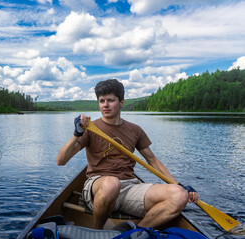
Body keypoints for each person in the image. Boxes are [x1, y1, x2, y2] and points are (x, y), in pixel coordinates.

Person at [56, 79, 198, 229]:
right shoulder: (90, 128)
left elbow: (153, 160)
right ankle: (98, 232)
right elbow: (61, 160)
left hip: (129, 187)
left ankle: (134, 234)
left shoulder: (135, 130)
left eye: (110, 100)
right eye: (101, 101)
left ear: (121, 102)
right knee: (111, 184)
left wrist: (178, 185)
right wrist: (77, 134)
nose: (105, 105)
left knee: (179, 195)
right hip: (98, 186)